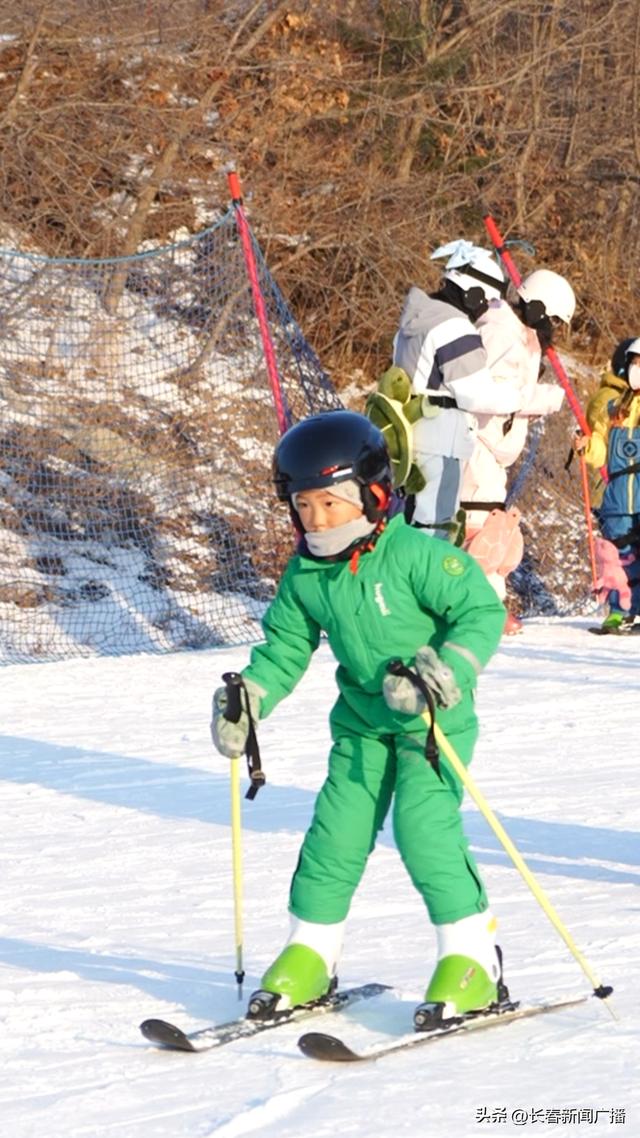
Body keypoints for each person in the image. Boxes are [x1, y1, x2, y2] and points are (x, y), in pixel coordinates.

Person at [210, 409, 508, 1030]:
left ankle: (472, 959)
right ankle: (311, 949)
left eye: (331, 502)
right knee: (334, 835)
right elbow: (286, 647)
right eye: (304, 505)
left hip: (431, 727)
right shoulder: (307, 572)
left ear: (373, 495)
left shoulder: (414, 554)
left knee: (425, 834)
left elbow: (479, 612)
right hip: (363, 726)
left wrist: (442, 669)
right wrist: (252, 697)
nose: (316, 519)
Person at [459, 269, 575, 634]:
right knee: (478, 526)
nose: (552, 325)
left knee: (491, 526)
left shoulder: (522, 335)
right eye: (551, 317)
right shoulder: (498, 329)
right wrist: (544, 398)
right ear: (536, 303)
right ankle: (476, 607)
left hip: (496, 446)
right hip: (477, 440)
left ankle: (485, 605)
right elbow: (490, 393)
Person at [391, 240, 525, 540]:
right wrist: (518, 396)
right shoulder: (455, 326)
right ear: (472, 292)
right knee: (433, 529)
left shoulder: (416, 320)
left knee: (407, 521)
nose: (485, 310)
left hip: (409, 437)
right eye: (488, 302)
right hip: (439, 442)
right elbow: (474, 393)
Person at [574, 337, 640, 633]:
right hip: (617, 496)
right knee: (617, 557)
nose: (638, 368)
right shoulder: (614, 407)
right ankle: (619, 610)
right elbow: (601, 450)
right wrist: (587, 446)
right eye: (635, 363)